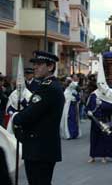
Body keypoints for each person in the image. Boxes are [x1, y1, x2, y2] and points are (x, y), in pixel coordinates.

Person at [12, 51, 65, 185]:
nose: (35, 67)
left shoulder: (49, 88)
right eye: (35, 64)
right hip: (40, 148)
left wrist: (16, 118)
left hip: (40, 149)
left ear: (50, 66)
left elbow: (31, 113)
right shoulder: (46, 85)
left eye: (39, 64)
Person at [85, 55, 112, 163]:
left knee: (105, 139)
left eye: (103, 83)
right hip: (95, 121)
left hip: (105, 121)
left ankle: (104, 156)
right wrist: (88, 112)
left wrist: (102, 105)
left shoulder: (110, 94)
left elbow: (111, 107)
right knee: (94, 139)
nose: (101, 85)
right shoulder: (93, 94)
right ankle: (92, 156)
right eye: (99, 84)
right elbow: (88, 106)